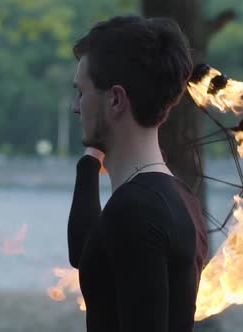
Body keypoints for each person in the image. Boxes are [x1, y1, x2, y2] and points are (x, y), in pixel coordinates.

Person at [67, 15, 209, 332]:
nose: (76, 107)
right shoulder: (178, 197)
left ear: (116, 99)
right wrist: (91, 159)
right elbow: (86, 252)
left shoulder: (135, 210)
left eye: (82, 92)